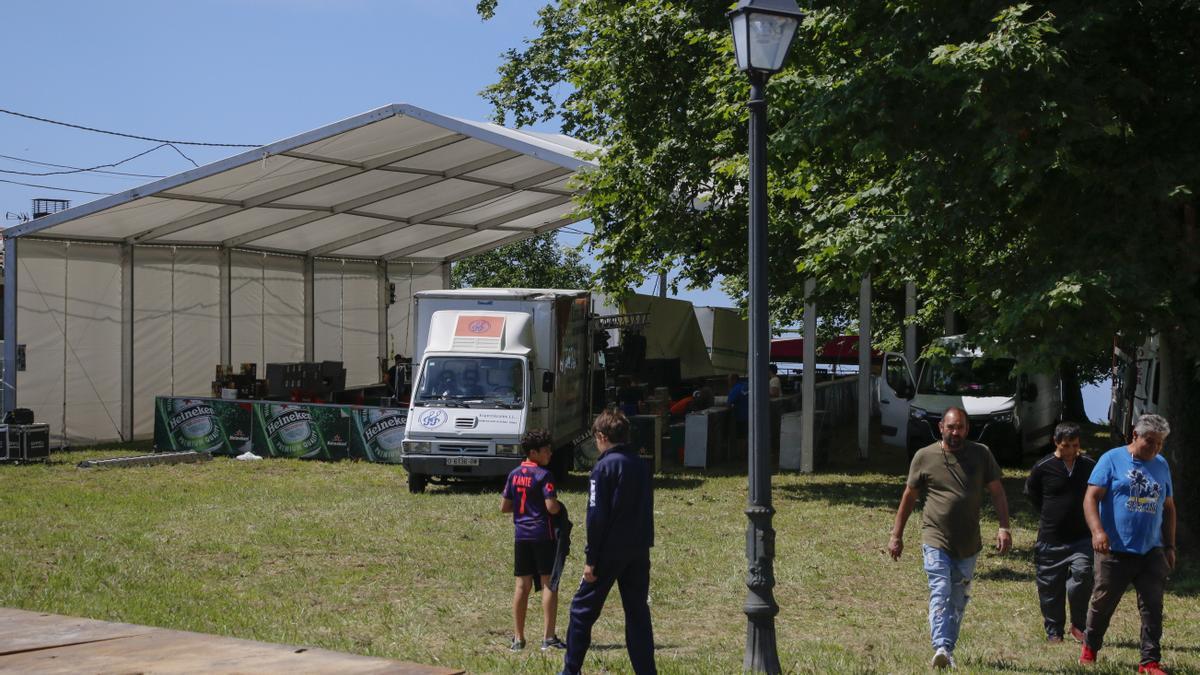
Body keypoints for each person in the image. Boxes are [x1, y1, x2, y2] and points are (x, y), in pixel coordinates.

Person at [888, 406, 1012, 669]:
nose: (956, 432)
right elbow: (909, 498)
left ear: (967, 429)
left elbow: (997, 492)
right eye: (951, 427)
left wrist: (1004, 527)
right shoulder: (925, 457)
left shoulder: (981, 454)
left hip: (968, 542)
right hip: (935, 537)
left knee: (958, 599)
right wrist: (896, 535)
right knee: (940, 589)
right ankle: (941, 646)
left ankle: (948, 650)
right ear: (941, 427)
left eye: (961, 427)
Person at [560, 408, 655, 675]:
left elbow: (597, 515)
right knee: (637, 613)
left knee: (581, 611)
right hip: (638, 549)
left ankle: (571, 670)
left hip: (609, 551)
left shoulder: (603, 467)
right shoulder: (640, 464)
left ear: (601, 436)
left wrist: (591, 559)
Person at [1079, 414, 1176, 674]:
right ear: (1135, 435)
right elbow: (1090, 498)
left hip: (1151, 550)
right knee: (1102, 603)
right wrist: (1097, 531)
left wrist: (1170, 546)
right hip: (1114, 550)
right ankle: (1090, 645)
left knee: (1153, 606)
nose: (1154, 448)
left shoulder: (1161, 465)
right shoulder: (1111, 459)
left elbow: (1168, 507)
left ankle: (1149, 661)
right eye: (1150, 442)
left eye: (1159, 443)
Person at [1025, 421, 1096, 643]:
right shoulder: (1043, 467)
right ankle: (1054, 630)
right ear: (1056, 443)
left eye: (1076, 445)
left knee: (1083, 576)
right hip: (1051, 539)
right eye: (1067, 446)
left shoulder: (1088, 466)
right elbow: (1032, 494)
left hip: (1082, 539)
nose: (1072, 451)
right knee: (1050, 588)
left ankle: (1078, 624)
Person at [501, 429, 566, 652]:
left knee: (522, 585)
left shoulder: (514, 473)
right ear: (533, 452)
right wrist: (559, 508)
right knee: (549, 583)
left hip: (521, 536)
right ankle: (548, 638)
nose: (550, 453)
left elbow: (504, 507)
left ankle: (518, 638)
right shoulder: (544, 475)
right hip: (542, 535)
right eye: (546, 450)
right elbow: (551, 507)